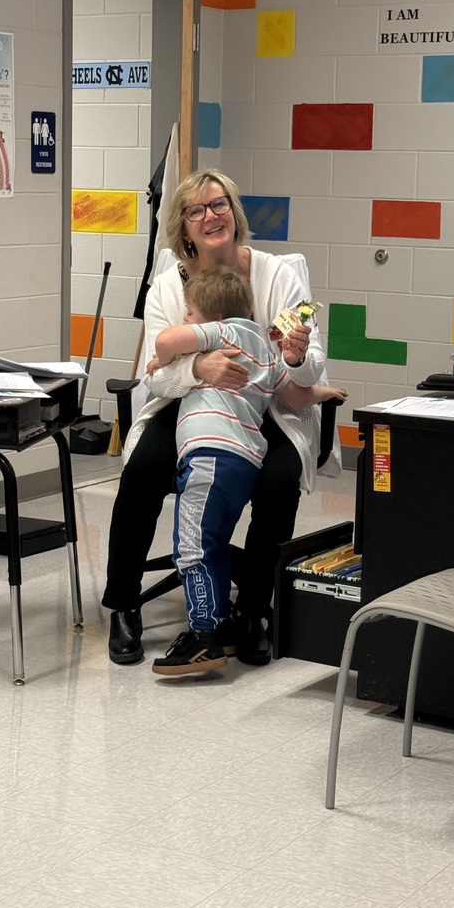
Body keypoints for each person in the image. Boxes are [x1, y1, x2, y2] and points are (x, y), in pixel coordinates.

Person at [102, 168, 340, 666]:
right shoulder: (168, 288)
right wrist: (199, 367)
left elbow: (305, 366)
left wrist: (297, 357)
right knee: (144, 468)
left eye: (220, 204)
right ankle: (123, 602)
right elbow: (157, 376)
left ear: (235, 211)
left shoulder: (277, 276)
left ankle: (253, 611)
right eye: (196, 210)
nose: (211, 216)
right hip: (187, 405)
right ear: (182, 228)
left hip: (265, 404)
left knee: (278, 479)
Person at [146, 268, 347, 675]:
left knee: (193, 546)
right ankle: (220, 625)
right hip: (245, 461)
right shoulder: (265, 346)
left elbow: (166, 340)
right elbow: (294, 394)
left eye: (188, 313)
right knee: (213, 543)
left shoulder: (219, 333)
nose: (184, 319)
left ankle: (204, 638)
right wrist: (325, 392)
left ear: (207, 315)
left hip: (208, 453)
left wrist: (161, 359)